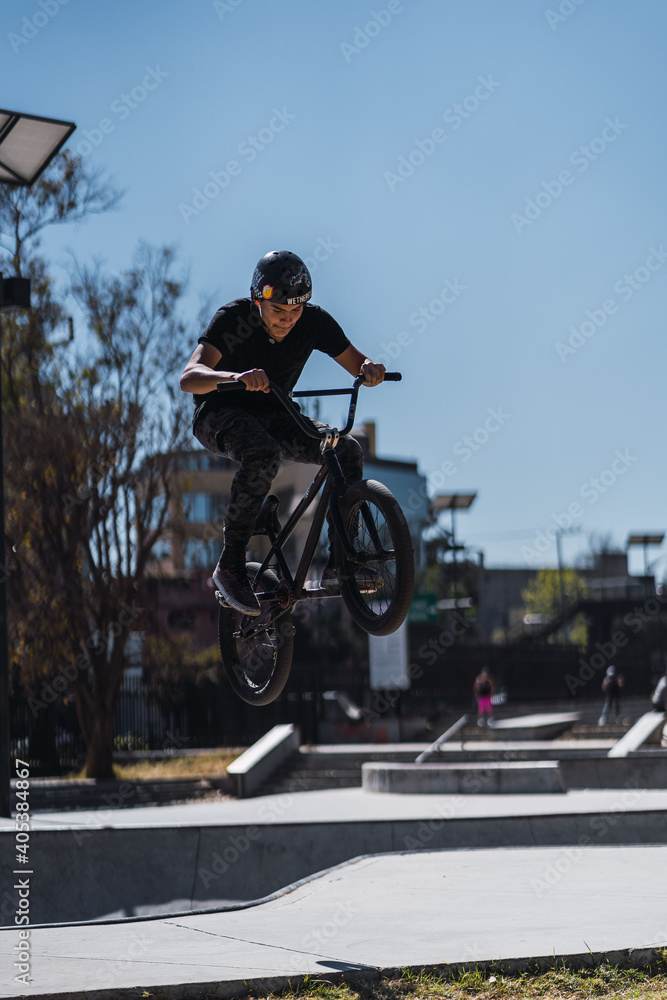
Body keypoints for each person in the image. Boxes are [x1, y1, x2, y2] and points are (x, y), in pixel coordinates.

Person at [179, 249, 386, 616]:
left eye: (295, 311)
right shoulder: (234, 319)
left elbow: (357, 361)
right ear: (258, 299)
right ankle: (230, 565)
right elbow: (189, 378)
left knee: (345, 449)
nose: (287, 320)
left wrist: (369, 368)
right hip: (219, 412)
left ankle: (341, 561)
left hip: (277, 414)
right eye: (277, 311)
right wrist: (235, 377)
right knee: (262, 453)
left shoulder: (314, 322)